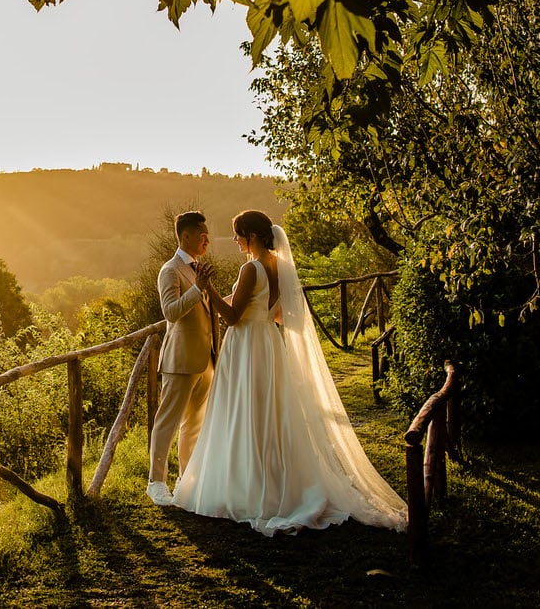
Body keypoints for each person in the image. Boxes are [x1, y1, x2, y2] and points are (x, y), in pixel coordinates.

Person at [171, 209, 407, 534]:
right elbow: (276, 312)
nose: (235, 240)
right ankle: (269, 479)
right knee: (267, 416)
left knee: (245, 414)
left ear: (252, 236)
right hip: (267, 344)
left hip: (246, 347)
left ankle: (248, 487)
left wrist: (206, 287)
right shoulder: (278, 266)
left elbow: (233, 317)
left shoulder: (250, 268)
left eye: (238, 234)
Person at [146, 210, 217, 506]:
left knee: (194, 424)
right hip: (180, 358)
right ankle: (156, 482)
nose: (207, 241)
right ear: (185, 236)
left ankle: (186, 478)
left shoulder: (198, 268)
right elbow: (171, 312)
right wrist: (198, 289)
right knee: (168, 422)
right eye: (202, 236)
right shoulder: (170, 270)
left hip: (205, 360)